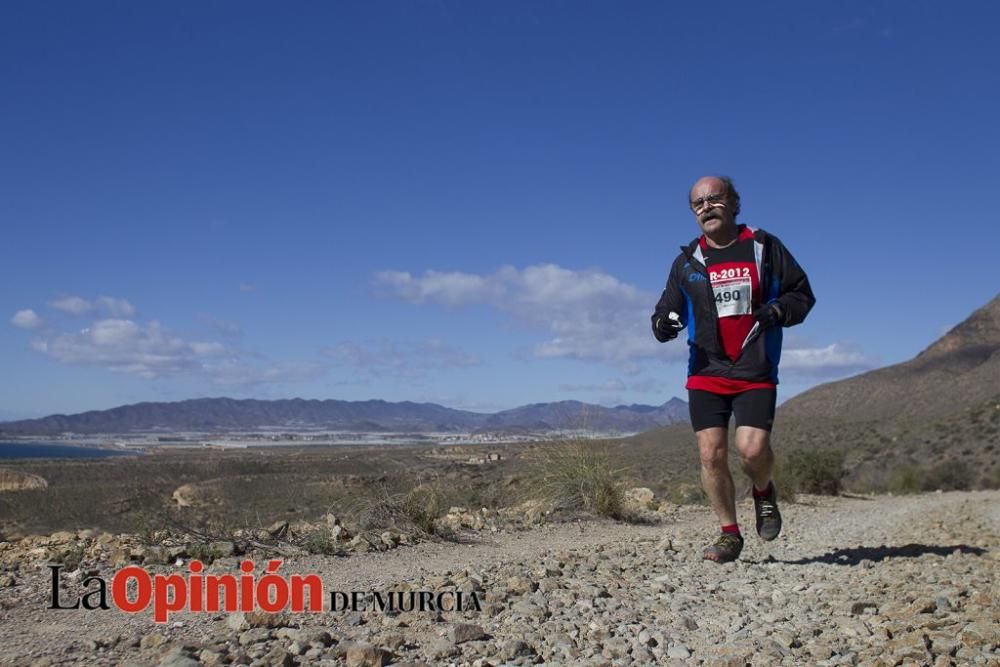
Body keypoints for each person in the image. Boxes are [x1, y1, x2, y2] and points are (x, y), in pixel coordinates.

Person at [651, 176, 816, 563]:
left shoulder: (764, 247)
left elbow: (801, 294)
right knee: (711, 454)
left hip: (754, 365)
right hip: (706, 369)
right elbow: (664, 312)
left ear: (734, 202)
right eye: (697, 203)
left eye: (714, 198)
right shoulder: (687, 261)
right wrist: (663, 325)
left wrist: (778, 311)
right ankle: (729, 533)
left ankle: (763, 492)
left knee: (752, 450)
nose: (706, 207)